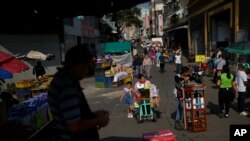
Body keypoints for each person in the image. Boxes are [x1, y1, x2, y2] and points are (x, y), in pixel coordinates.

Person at [48, 45, 109, 141]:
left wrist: (93, 115)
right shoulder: (66, 86)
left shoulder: (64, 80)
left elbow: (72, 115)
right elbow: (74, 126)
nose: (88, 71)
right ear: (79, 65)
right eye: (87, 66)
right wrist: (98, 120)